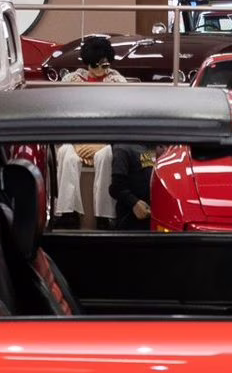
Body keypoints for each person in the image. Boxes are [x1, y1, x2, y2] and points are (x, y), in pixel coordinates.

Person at [53, 35, 122, 227]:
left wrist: (102, 143)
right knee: (66, 154)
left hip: (106, 140)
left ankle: (105, 216)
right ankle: (67, 213)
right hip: (77, 137)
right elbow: (64, 114)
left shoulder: (118, 82)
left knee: (106, 157)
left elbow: (122, 119)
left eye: (105, 65)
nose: (101, 70)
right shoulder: (72, 81)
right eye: (97, 65)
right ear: (88, 64)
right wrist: (78, 143)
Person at [110, 143, 155, 231]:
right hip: (132, 220)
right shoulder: (123, 148)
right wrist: (134, 202)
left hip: (158, 218)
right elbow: (116, 186)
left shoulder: (159, 146)